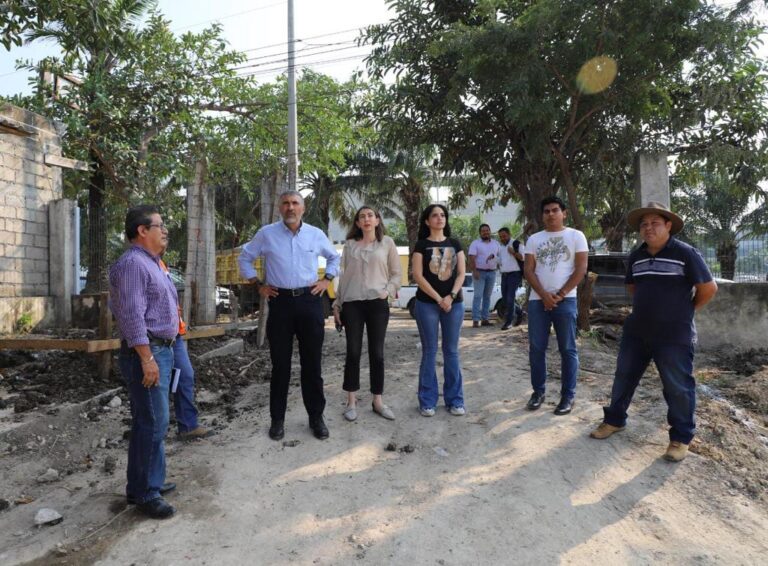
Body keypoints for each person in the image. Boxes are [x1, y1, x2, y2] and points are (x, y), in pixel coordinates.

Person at [590, 201, 718, 462]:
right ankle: (614, 420)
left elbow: (708, 288)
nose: (648, 228)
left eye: (655, 223)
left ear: (668, 226)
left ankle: (680, 439)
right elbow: (633, 288)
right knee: (624, 376)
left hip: (674, 335)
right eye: (644, 224)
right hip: (637, 331)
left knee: (678, 387)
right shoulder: (636, 256)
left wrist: (685, 311)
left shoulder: (685, 253)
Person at [238, 190, 340, 441]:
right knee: (280, 366)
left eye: (295, 203)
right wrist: (258, 284)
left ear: (303, 208)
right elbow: (245, 258)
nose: (290, 208)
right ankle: (277, 420)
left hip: (309, 301)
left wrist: (326, 280)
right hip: (280, 302)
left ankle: (316, 417)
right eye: (285, 203)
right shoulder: (266, 234)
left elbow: (334, 258)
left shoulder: (315, 234)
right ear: (279, 209)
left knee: (312, 365)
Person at [109, 205, 179, 519]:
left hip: (160, 350)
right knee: (154, 422)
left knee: (150, 421)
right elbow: (132, 316)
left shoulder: (151, 263)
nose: (164, 230)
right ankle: (145, 494)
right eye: (159, 224)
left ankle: (147, 482)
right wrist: (147, 357)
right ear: (142, 230)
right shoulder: (133, 265)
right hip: (147, 353)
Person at [333, 206, 402, 422]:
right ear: (357, 223)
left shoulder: (387, 243)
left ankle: (377, 401)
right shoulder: (350, 245)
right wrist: (337, 304)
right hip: (352, 303)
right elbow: (342, 277)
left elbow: (397, 274)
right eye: (362, 217)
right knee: (353, 352)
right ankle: (351, 401)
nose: (366, 219)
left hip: (377, 303)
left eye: (370, 215)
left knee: (377, 353)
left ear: (378, 219)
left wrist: (387, 292)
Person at [524, 196, 588, 415]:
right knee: (536, 349)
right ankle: (538, 392)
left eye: (555, 210)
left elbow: (581, 269)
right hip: (537, 301)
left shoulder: (576, 236)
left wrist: (560, 294)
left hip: (566, 300)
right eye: (546, 211)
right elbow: (528, 270)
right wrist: (543, 295)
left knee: (568, 349)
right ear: (542, 216)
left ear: (564, 213)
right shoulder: (534, 239)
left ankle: (568, 396)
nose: (550, 214)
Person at [412, 204, 467, 417]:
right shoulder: (421, 245)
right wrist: (438, 298)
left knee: (451, 351)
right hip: (427, 304)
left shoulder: (455, 243)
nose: (439, 218)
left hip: (454, 304)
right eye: (435, 215)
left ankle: (455, 400)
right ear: (427, 221)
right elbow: (418, 275)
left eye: (443, 215)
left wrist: (450, 296)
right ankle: (427, 401)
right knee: (429, 351)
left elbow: (462, 273)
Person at [157, 257, 213, 441]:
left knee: (185, 376)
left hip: (174, 335)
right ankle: (148, 430)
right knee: (156, 385)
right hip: (155, 339)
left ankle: (188, 425)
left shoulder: (160, 263)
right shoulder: (139, 264)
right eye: (160, 229)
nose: (164, 234)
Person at [468, 223, 500, 327]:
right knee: (478, 296)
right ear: (480, 233)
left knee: (487, 297)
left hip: (492, 272)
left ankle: (485, 319)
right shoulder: (475, 243)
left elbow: (500, 256)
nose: (485, 232)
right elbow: (471, 257)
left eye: (487, 230)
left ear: (490, 231)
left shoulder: (496, 243)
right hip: (479, 273)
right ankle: (476, 320)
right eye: (483, 231)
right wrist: (475, 270)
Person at [497, 227, 525, 330]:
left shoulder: (517, 243)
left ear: (509, 234)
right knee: (505, 300)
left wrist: (513, 252)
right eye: (500, 237)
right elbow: (501, 261)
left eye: (504, 236)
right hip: (504, 275)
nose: (502, 238)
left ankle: (509, 322)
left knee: (510, 298)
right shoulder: (501, 247)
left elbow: (522, 257)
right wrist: (494, 258)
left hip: (515, 275)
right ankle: (519, 311)